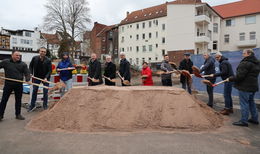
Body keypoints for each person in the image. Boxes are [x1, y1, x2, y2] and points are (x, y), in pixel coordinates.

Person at [228, 49, 260, 127]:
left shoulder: (245, 63)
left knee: (244, 103)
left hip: (245, 87)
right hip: (253, 86)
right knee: (251, 102)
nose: (243, 55)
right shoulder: (256, 63)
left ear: (249, 54)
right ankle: (255, 119)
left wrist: (230, 78)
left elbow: (240, 76)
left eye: (244, 53)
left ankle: (244, 121)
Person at [0, 50, 31, 120]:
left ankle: (18, 114)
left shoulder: (23, 64)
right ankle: (0, 115)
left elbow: (27, 73)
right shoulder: (6, 62)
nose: (18, 57)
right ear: (12, 55)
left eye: (19, 55)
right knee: (4, 100)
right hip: (8, 84)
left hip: (19, 84)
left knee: (18, 100)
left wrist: (27, 79)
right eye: (17, 55)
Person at [28, 47, 52, 112]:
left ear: (46, 53)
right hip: (36, 77)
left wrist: (46, 77)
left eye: (44, 52)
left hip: (45, 78)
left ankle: (45, 105)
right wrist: (30, 73)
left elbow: (50, 71)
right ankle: (32, 105)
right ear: (39, 51)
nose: (43, 53)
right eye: (42, 51)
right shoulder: (34, 58)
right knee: (34, 90)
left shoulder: (48, 60)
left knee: (45, 92)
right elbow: (30, 66)